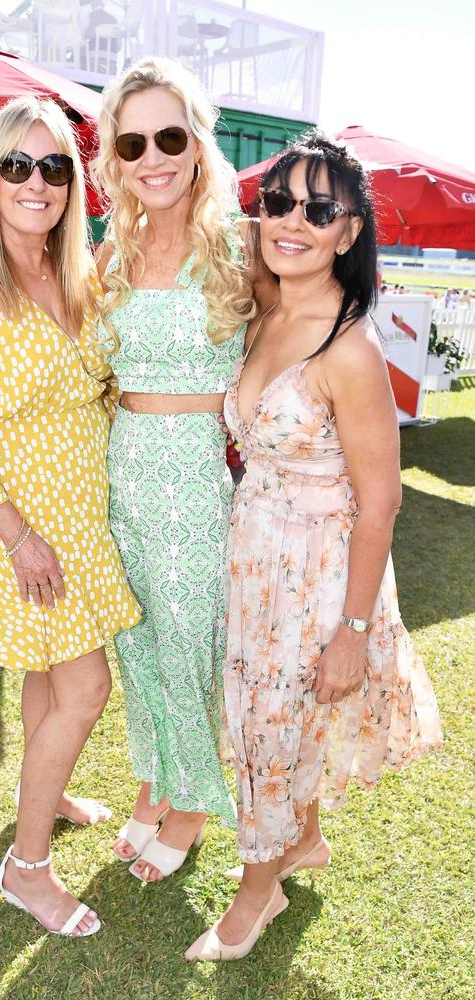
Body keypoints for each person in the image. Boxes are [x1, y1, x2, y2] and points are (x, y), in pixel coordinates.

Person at [186, 132, 442, 961]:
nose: (293, 219)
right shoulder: (267, 301)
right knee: (272, 721)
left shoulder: (352, 349)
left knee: (271, 727)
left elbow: (383, 501)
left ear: (350, 232)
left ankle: (257, 892)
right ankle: (300, 841)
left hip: (319, 574)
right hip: (254, 552)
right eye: (280, 202)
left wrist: (354, 632)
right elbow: (203, 229)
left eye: (319, 209)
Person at [0, 95, 140, 937]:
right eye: (17, 165)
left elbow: (101, 390)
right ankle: (27, 867)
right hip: (21, 528)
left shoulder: (77, 273)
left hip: (83, 514)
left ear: (73, 181)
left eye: (53, 166)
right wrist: (19, 537)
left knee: (50, 676)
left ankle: (42, 798)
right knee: (88, 686)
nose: (36, 182)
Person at [91, 56, 274, 883]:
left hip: (197, 483)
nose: (152, 157)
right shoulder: (112, 249)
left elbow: (299, 336)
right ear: (115, 157)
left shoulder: (240, 247)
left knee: (190, 646)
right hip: (120, 474)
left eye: (170, 135)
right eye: (134, 143)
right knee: (138, 645)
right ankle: (155, 782)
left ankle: (194, 805)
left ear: (198, 141)